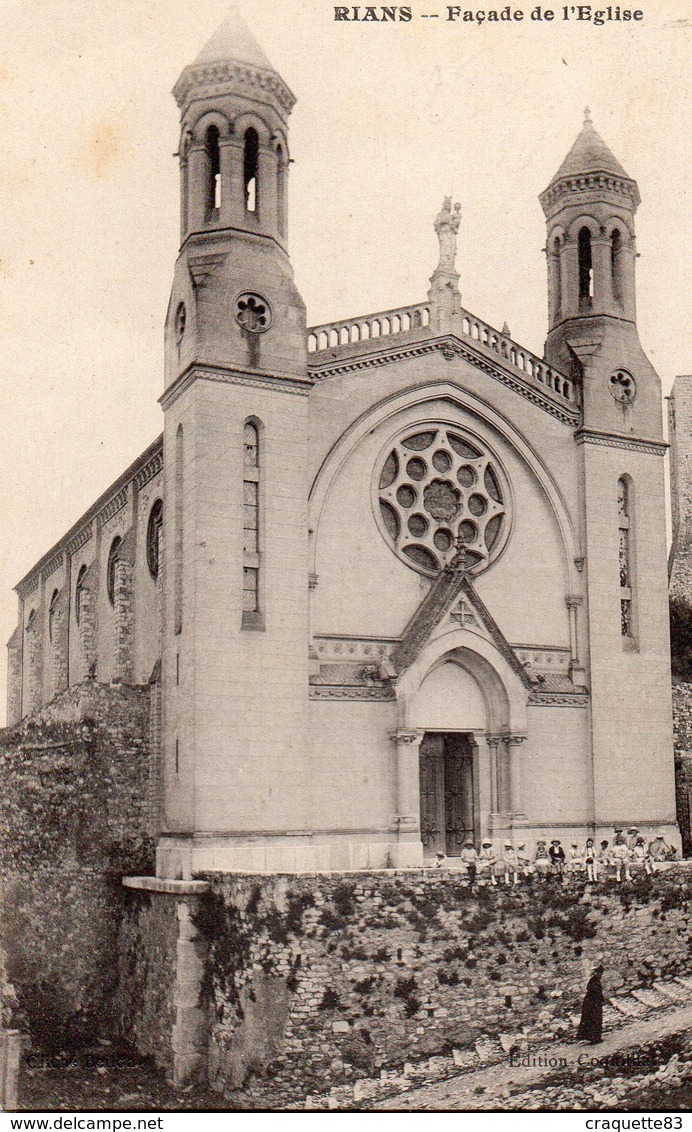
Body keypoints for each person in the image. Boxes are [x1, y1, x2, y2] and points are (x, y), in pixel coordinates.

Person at [577, 965, 605, 1044]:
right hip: (592, 1002)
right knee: (594, 1019)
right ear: (595, 973)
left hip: (593, 1002)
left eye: (601, 973)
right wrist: (601, 997)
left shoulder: (595, 980)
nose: (600, 975)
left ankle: (594, 1037)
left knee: (594, 1019)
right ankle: (594, 1038)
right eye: (599, 973)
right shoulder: (593, 980)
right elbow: (595, 991)